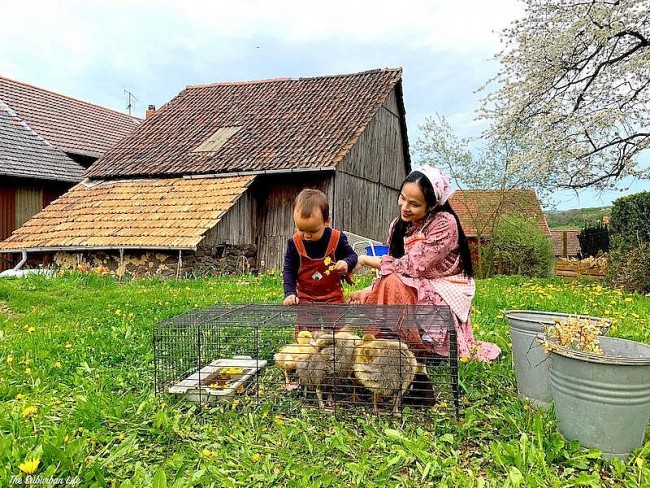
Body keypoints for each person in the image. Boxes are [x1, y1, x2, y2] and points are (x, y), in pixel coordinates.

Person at [349, 167, 501, 362]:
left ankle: (414, 344)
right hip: (411, 280)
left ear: (431, 205)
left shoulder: (445, 223)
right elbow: (395, 265)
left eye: (414, 204)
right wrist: (370, 289)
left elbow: (414, 266)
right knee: (391, 282)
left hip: (444, 286)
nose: (404, 207)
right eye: (402, 198)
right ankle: (386, 343)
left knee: (394, 282)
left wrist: (363, 259)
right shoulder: (398, 225)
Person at [283, 189, 358, 306]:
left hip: (333, 298)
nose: (306, 235)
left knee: (335, 324)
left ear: (326, 221)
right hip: (305, 299)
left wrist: (346, 262)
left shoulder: (336, 238)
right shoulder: (294, 243)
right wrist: (290, 293)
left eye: (313, 231)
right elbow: (289, 270)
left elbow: (353, 256)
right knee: (306, 325)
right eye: (301, 229)